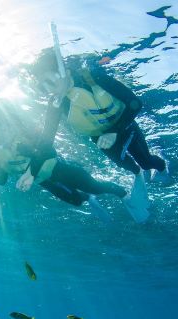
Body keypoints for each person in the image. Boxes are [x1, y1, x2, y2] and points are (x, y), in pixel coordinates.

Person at [27, 48, 170, 222]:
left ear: (63, 71)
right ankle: (138, 176)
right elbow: (46, 142)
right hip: (101, 139)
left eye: (49, 82)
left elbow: (135, 103)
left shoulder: (92, 77)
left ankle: (162, 166)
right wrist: (31, 172)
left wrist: (114, 132)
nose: (49, 90)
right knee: (128, 167)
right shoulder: (56, 104)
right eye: (42, 88)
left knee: (146, 162)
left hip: (125, 126)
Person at [0, 98, 135, 222]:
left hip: (62, 170)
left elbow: (50, 151)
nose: (2, 133)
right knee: (76, 201)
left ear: (13, 125)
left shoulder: (27, 137)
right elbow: (1, 180)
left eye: (5, 127)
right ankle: (89, 199)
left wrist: (29, 154)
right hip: (45, 182)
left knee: (96, 187)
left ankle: (125, 195)